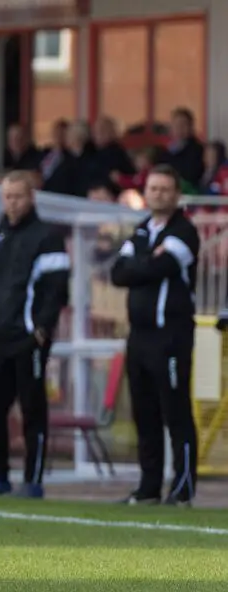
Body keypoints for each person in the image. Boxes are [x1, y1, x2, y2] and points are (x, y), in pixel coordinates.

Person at [0, 171, 70, 499]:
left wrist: (41, 330)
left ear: (31, 198)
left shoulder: (47, 237)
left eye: (18, 196)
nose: (12, 203)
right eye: (7, 196)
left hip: (28, 338)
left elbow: (57, 291)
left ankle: (33, 480)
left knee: (32, 409)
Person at [111, 164, 200, 506]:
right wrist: (145, 263)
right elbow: (119, 273)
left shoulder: (185, 231)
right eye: (153, 188)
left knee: (175, 412)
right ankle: (148, 487)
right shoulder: (142, 231)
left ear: (176, 195)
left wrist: (142, 264)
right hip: (140, 337)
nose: (158, 194)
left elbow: (158, 267)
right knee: (144, 414)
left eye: (165, 189)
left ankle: (182, 487)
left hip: (171, 335)